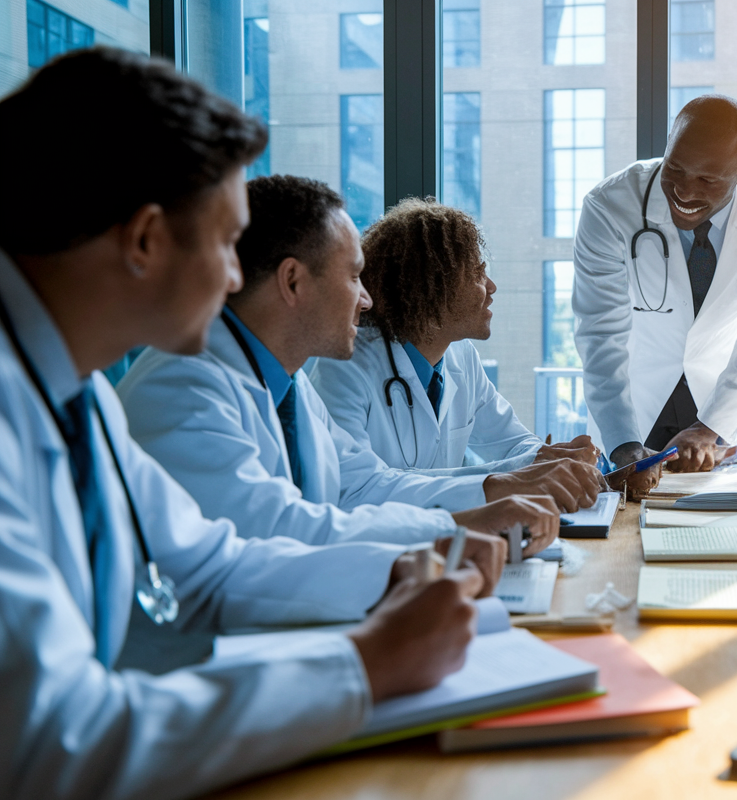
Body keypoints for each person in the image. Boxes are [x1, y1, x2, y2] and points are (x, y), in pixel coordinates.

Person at [0, 48, 495, 800]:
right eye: (227, 245)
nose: (238, 278)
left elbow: (211, 566)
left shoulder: (78, 395)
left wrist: (395, 570)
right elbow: (52, 739)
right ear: (144, 240)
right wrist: (361, 667)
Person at [117, 175, 579, 552]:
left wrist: (493, 495)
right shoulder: (184, 386)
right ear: (293, 281)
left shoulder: (291, 387)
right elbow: (282, 531)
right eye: (354, 276)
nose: (367, 299)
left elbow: (365, 486)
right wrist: (456, 531)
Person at [573, 94, 737, 494]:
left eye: (707, 180)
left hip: (718, 403)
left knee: (714, 530)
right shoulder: (609, 205)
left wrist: (711, 426)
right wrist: (624, 443)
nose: (683, 190)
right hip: (632, 402)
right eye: (676, 168)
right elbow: (600, 334)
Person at [311, 197, 599, 499]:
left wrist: (552, 457)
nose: (491, 287)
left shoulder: (462, 357)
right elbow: (356, 490)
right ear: (430, 288)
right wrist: (505, 480)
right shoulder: (344, 366)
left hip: (448, 538)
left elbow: (511, 442)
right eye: (476, 273)